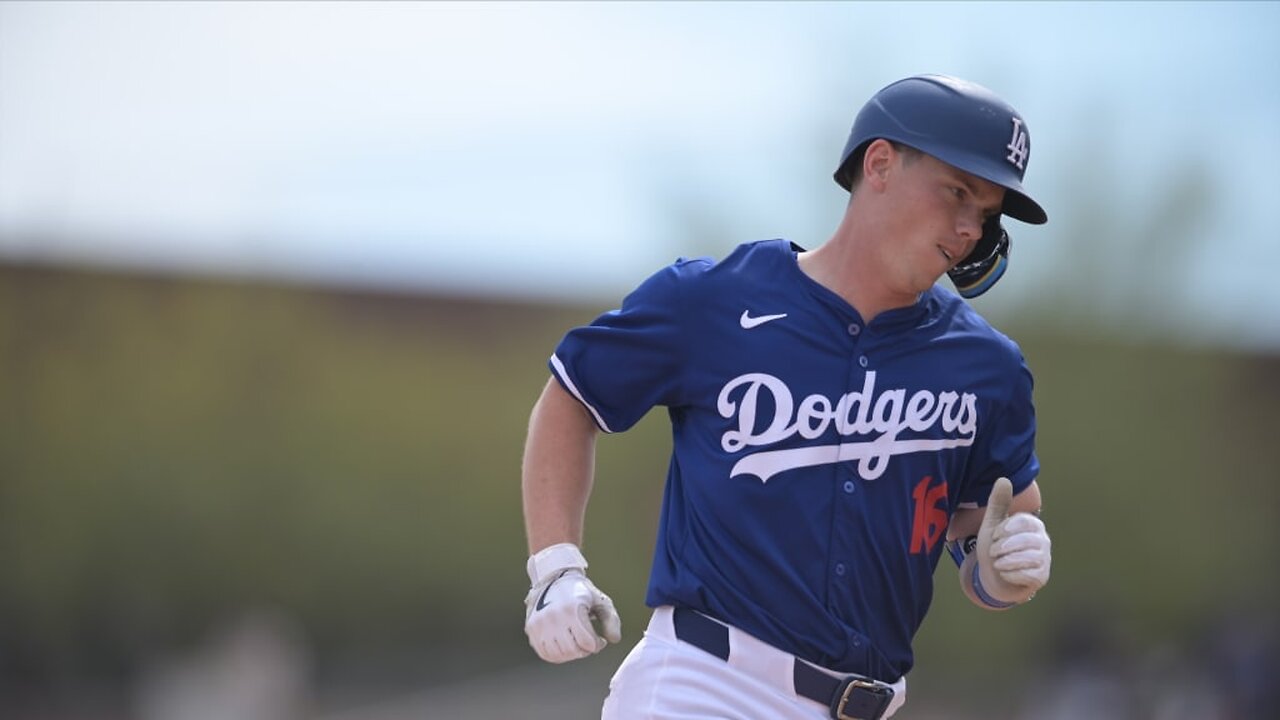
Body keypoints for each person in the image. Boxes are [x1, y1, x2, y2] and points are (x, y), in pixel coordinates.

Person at [520, 74, 1054, 720]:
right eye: (957, 192)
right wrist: (555, 566)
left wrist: (998, 575)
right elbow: (573, 395)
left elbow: (987, 530)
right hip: (703, 687)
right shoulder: (714, 301)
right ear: (880, 163)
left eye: (987, 209)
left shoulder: (987, 367)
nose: (970, 227)